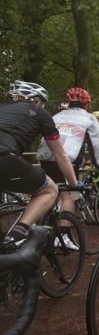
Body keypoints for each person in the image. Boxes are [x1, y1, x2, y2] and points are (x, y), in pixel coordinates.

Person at [0, 81, 79, 247]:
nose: (42, 106)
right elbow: (60, 154)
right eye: (42, 102)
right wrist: (74, 184)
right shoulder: (39, 113)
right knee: (49, 190)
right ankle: (17, 235)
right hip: (4, 157)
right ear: (35, 100)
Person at [37, 87, 99, 248]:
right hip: (67, 160)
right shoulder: (88, 118)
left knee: (49, 192)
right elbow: (96, 143)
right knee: (69, 196)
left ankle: (39, 228)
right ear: (87, 104)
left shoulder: (56, 116)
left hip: (45, 158)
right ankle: (64, 236)